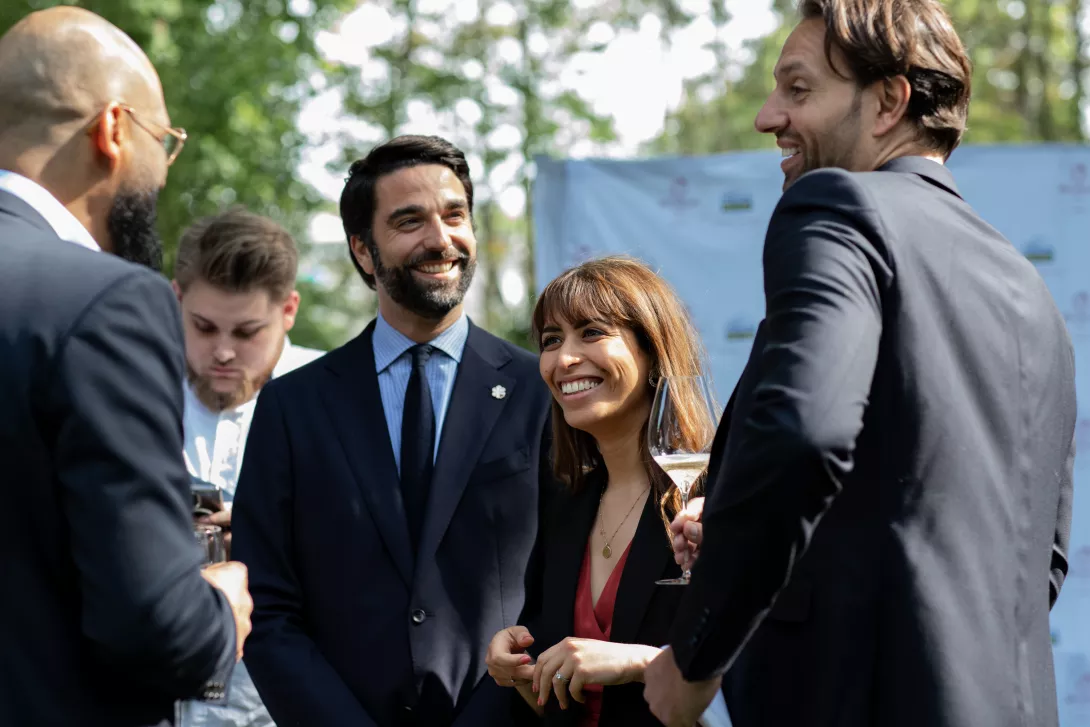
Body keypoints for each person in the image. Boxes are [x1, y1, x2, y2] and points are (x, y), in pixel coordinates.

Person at [642, 1, 1077, 726]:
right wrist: (743, 535)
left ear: (888, 102)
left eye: (799, 88)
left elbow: (803, 437)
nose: (767, 115)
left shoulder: (836, 206)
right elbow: (1037, 560)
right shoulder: (1029, 288)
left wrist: (695, 652)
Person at [231, 134, 552, 727]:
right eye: (409, 221)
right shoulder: (291, 408)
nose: (441, 239)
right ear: (363, 251)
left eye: (455, 215)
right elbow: (267, 609)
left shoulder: (543, 394)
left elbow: (567, 580)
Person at [0, 8, 252, 727]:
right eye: (164, 142)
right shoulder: (105, 300)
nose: (163, 170)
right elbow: (154, 625)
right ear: (112, 130)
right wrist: (219, 609)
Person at [484, 256, 719, 727]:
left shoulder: (713, 502)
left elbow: (753, 665)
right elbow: (561, 705)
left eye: (592, 332)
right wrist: (518, 671)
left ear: (653, 351)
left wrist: (638, 663)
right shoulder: (563, 505)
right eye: (552, 341)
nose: (564, 359)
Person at [173, 208, 324, 727]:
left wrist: (271, 531)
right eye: (204, 327)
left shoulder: (334, 400)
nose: (222, 351)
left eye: (246, 332)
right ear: (176, 299)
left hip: (285, 702)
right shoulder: (129, 393)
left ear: (288, 310)